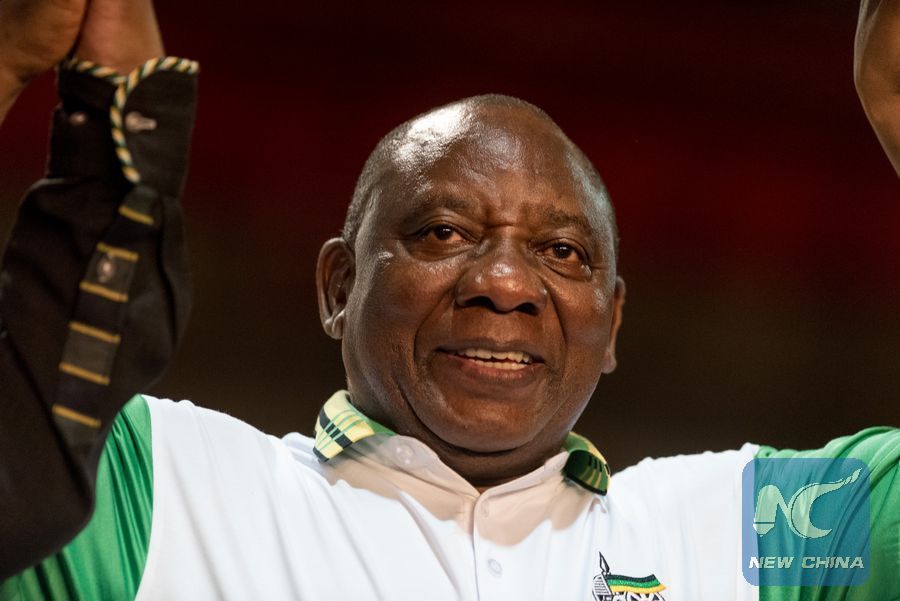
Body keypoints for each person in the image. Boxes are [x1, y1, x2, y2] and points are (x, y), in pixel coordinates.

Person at [0, 0, 897, 599]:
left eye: (561, 252)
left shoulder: (752, 532)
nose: (504, 284)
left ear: (613, 322)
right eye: (443, 233)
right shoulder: (158, 481)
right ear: (339, 286)